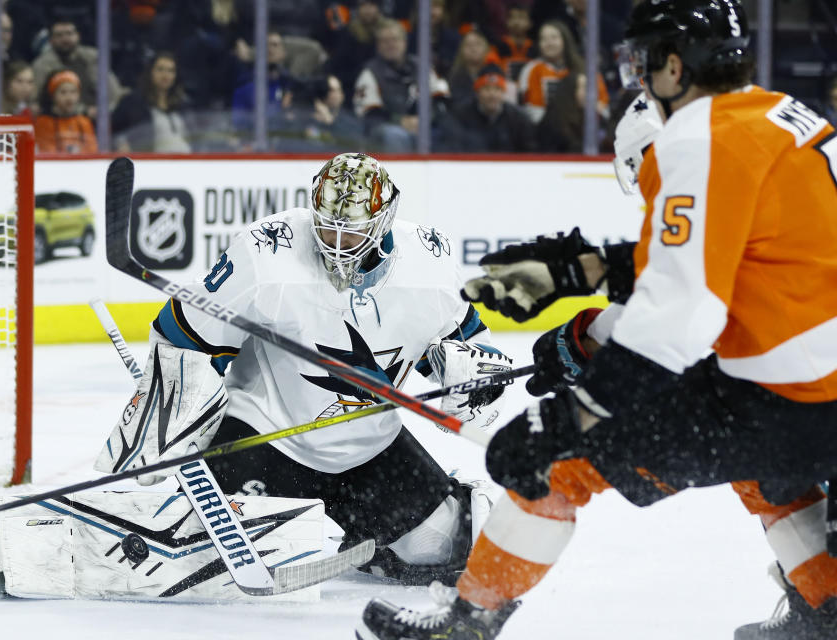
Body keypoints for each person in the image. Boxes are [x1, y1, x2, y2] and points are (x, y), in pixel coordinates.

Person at [358, 1, 837, 639]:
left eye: (644, 61)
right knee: (774, 473)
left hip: (790, 392)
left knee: (555, 461)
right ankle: (826, 611)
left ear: (675, 62)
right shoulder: (782, 114)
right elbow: (746, 261)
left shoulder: (695, 135)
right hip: (816, 381)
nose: (639, 76)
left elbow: (681, 314)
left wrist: (574, 409)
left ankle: (464, 623)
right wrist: (577, 278)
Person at [95, 152, 516, 587]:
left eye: (349, 231)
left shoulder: (430, 263)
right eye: (326, 225)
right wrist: (165, 421)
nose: (334, 241)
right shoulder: (267, 251)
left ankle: (373, 542)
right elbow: (185, 333)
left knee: (439, 549)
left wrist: (471, 379)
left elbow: (465, 344)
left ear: (383, 220)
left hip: (369, 445)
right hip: (264, 436)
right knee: (193, 558)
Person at [353, 19, 451, 152]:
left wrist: (423, 120)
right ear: (378, 46)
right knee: (395, 135)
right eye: (385, 41)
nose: (390, 44)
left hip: (425, 126)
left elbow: (441, 101)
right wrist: (400, 121)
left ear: (404, 42)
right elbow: (369, 116)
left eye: (395, 39)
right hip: (387, 131)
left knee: (449, 131)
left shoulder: (422, 67)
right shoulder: (370, 73)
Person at [31, 16, 125, 119]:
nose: (65, 39)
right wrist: (84, 111)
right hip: (63, 118)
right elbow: (40, 101)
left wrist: (110, 108)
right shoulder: (41, 65)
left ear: (78, 36)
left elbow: (114, 91)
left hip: (104, 115)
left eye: (69, 33)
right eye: (59, 35)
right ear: (51, 40)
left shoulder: (93, 57)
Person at [516, 19, 608, 124]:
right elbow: (533, 111)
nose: (549, 43)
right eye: (543, 39)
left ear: (565, 39)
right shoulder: (532, 69)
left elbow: (602, 105)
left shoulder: (586, 68)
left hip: (583, 127)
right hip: (547, 130)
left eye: (554, 37)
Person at [112, 51, 193, 153]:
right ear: (150, 72)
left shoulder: (183, 105)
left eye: (171, 70)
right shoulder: (133, 102)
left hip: (187, 163)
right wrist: (121, 144)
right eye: (160, 69)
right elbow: (113, 130)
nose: (165, 75)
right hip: (152, 164)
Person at [450, 63, 537, 152]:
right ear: (477, 92)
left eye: (497, 89)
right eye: (486, 89)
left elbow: (529, 153)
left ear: (503, 92)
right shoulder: (461, 116)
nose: (492, 94)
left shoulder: (519, 119)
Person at [34, 69, 97, 154]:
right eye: (63, 92)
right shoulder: (43, 122)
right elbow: (45, 151)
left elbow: (92, 151)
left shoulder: (85, 122)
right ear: (53, 95)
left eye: (73, 92)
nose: (69, 97)